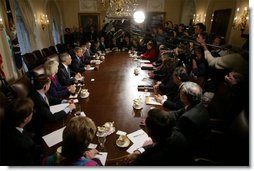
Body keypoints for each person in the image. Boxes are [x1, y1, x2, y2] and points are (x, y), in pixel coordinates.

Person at [127, 108, 193, 166]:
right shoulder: (178, 134)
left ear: (149, 133)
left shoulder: (147, 158)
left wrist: (141, 151)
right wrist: (140, 150)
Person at [28, 74, 76, 143]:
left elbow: (51, 99)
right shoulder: (37, 100)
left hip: (46, 118)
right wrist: (68, 109)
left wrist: (65, 101)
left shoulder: (40, 91)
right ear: (45, 86)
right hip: (43, 129)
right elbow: (51, 118)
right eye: (49, 84)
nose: (50, 86)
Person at [1, 98, 42, 165]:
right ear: (25, 119)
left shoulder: (8, 124)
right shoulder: (24, 144)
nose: (34, 112)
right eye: (32, 111)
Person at [169, 81, 210, 147]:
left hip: (190, 148)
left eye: (181, 92)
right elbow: (176, 113)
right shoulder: (196, 104)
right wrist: (161, 115)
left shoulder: (187, 118)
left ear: (184, 97)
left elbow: (176, 138)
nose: (179, 94)